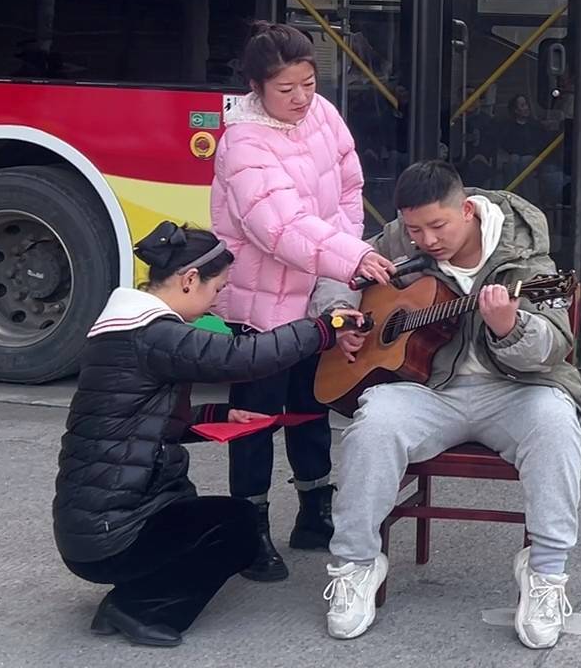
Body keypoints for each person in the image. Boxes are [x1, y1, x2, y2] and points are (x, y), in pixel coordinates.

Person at [52, 221, 369, 648]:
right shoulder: (155, 334)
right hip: (111, 536)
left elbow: (137, 420)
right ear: (189, 280)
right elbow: (244, 357)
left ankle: (132, 594)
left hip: (90, 531)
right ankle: (140, 608)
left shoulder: (120, 331)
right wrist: (325, 329)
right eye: (217, 289)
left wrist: (220, 415)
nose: (216, 302)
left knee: (200, 513)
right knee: (237, 526)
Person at [314, 160, 581, 649]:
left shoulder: (525, 255)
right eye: (415, 230)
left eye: (438, 226)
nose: (427, 240)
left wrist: (510, 327)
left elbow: (552, 347)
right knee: (374, 423)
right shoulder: (401, 238)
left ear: (466, 210)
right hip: (426, 392)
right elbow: (340, 269)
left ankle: (546, 574)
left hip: (513, 390)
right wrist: (339, 317)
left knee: (556, 422)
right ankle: (357, 564)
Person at [209, 22, 392, 583]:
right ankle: (249, 533)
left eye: (309, 84)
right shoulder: (243, 143)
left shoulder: (322, 115)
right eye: (286, 89)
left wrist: (341, 264)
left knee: (312, 406)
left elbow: (348, 191)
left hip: (318, 294)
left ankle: (314, 513)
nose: (301, 98)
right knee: (255, 419)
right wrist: (350, 257)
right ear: (256, 87)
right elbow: (278, 227)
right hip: (263, 306)